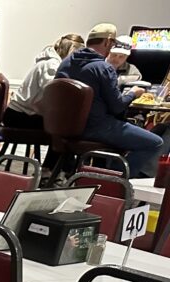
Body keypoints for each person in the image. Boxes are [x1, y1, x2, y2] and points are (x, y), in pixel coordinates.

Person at [56, 23, 161, 178]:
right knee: (154, 142)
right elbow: (117, 107)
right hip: (95, 127)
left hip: (64, 128)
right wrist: (133, 93)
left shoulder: (66, 63)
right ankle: (114, 180)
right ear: (107, 42)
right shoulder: (103, 68)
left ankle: (103, 175)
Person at [3, 34, 84, 173]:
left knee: (63, 127)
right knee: (63, 130)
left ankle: (54, 169)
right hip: (20, 116)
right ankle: (51, 170)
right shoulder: (52, 65)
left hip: (17, 113)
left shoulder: (47, 62)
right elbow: (52, 93)